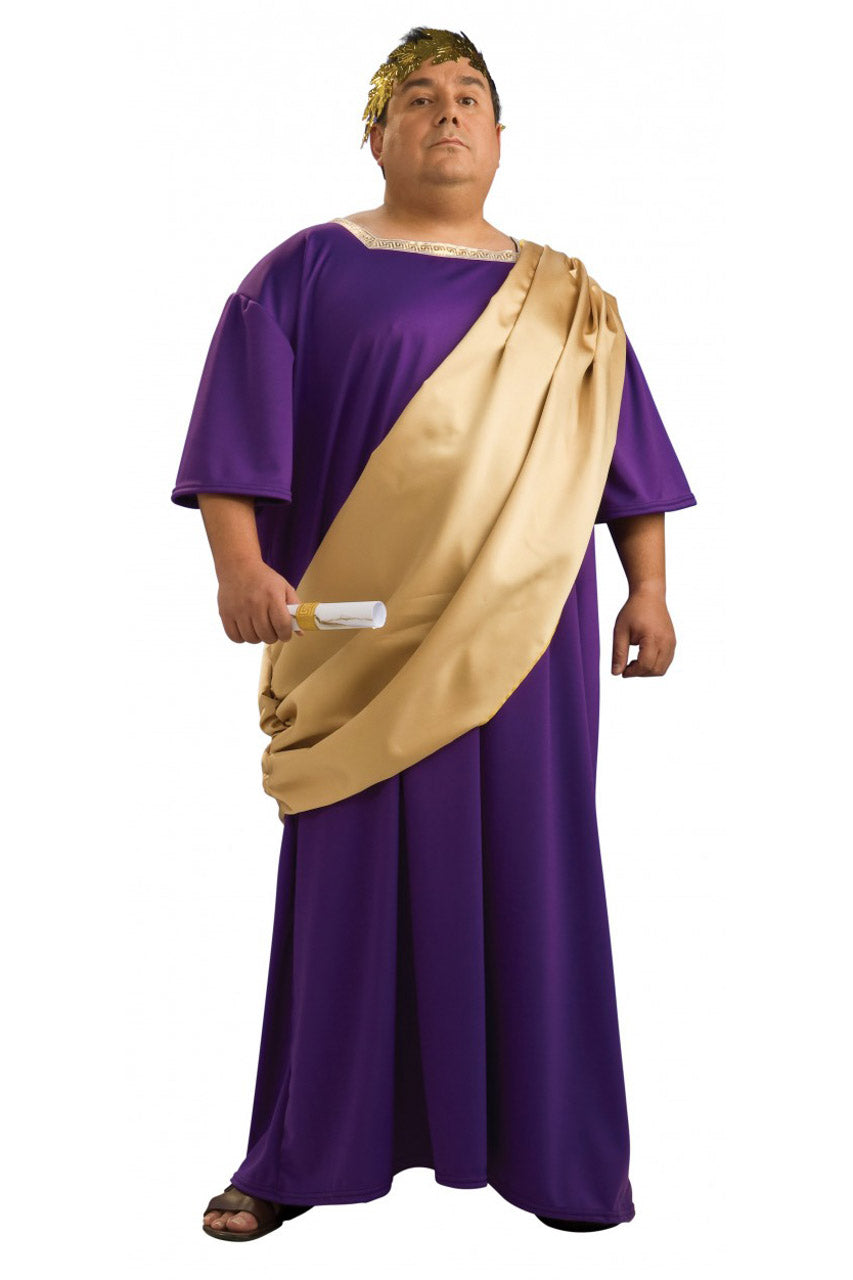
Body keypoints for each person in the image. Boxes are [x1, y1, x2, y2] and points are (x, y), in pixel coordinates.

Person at [171, 27, 697, 1242]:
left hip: (529, 641)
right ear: (378, 136)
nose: (447, 113)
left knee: (533, 869)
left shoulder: (572, 305)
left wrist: (651, 589)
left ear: (501, 137)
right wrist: (238, 565)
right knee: (348, 879)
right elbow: (233, 438)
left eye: (469, 97)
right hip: (357, 641)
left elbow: (625, 465)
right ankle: (304, 1149)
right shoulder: (303, 271)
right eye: (418, 98)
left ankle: (553, 1152)